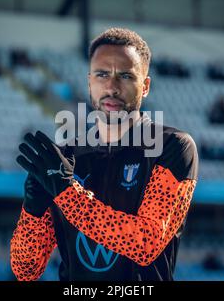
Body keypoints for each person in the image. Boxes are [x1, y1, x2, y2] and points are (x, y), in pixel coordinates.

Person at [11, 28, 199, 281]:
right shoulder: (64, 157)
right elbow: (25, 270)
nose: (112, 87)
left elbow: (145, 244)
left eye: (125, 76)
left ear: (145, 86)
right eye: (102, 74)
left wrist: (66, 193)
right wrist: (32, 210)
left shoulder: (173, 147)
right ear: (89, 82)